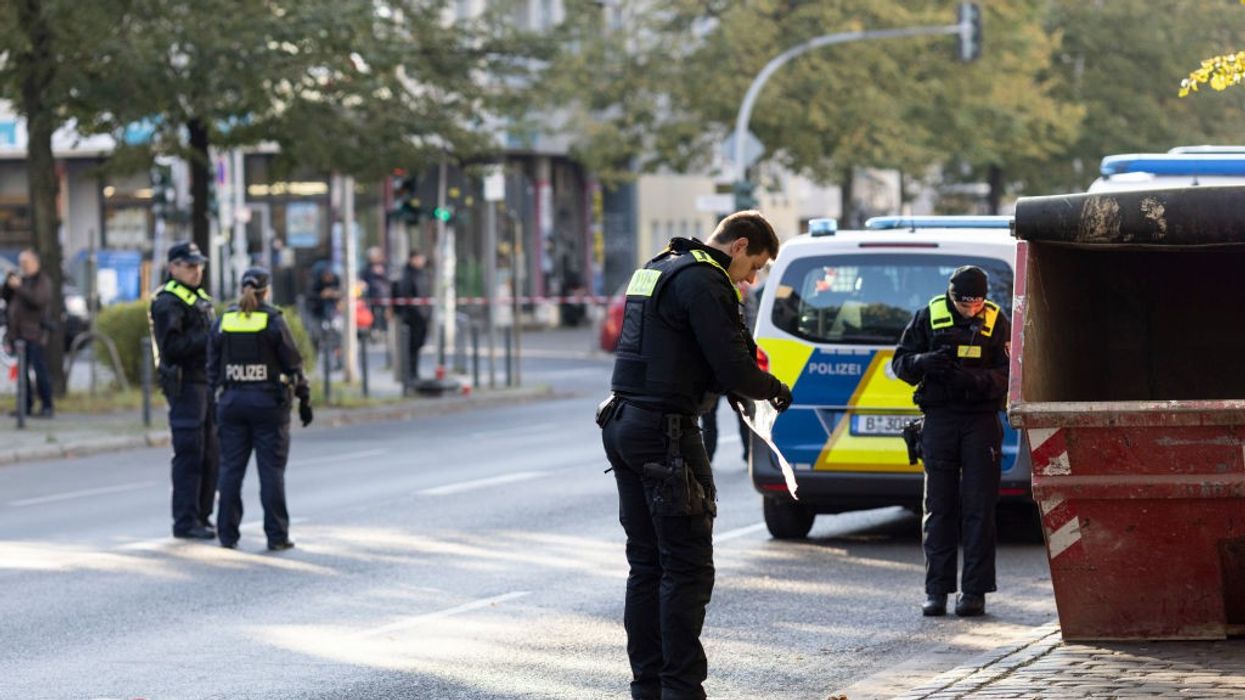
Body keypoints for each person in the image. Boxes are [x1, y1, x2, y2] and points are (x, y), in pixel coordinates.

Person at [599, 210, 793, 700]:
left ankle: (647, 686)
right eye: (754, 266)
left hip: (623, 422)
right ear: (739, 245)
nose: (751, 279)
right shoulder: (706, 280)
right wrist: (773, 389)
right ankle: (681, 690)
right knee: (686, 567)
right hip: (666, 435)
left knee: (647, 564)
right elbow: (735, 367)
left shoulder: (658, 265)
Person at [891, 265, 1011, 618]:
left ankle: (974, 592)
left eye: (977, 303)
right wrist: (922, 362)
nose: (971, 310)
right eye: (964, 304)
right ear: (952, 296)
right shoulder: (928, 316)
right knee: (939, 509)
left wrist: (975, 381)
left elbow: (1009, 373)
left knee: (979, 508)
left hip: (980, 422)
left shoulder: (996, 320)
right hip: (940, 419)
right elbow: (899, 363)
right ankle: (937, 591)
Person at [207, 267, 312, 551]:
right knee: (271, 473)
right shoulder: (274, 320)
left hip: (231, 404)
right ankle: (276, 536)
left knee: (230, 472)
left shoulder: (225, 319)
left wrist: (213, 402)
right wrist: (304, 399)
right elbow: (293, 364)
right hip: (269, 405)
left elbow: (211, 367)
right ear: (267, 291)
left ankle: (227, 535)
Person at [149, 242, 218, 540]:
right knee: (190, 453)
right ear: (173, 267)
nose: (197, 271)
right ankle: (185, 520)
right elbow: (172, 348)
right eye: (190, 266)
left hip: (206, 382)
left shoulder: (196, 297)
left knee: (211, 454)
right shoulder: (168, 302)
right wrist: (209, 337)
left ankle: (202, 515)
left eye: (199, 265)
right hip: (186, 384)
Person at [2, 249, 53, 418]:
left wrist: (20, 287)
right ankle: (25, 406)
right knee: (21, 373)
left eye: (25, 263)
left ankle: (47, 406)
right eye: (21, 263)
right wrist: (8, 284)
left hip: (35, 333)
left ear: (35, 263)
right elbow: (5, 298)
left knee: (40, 371)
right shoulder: (22, 279)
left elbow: (37, 301)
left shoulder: (42, 280)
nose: (22, 266)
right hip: (18, 334)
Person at [396, 250, 429, 383]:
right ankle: (409, 375)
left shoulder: (422, 273)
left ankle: (414, 373)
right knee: (410, 347)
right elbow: (404, 295)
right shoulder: (406, 274)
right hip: (412, 317)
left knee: (417, 346)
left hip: (422, 316)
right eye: (419, 258)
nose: (421, 261)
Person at [360, 246, 389, 334]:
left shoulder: (384, 266)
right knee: (372, 313)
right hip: (371, 295)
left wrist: (382, 274)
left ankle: (384, 330)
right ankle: (374, 330)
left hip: (384, 295)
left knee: (384, 314)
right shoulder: (367, 268)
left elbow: (389, 279)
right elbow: (363, 279)